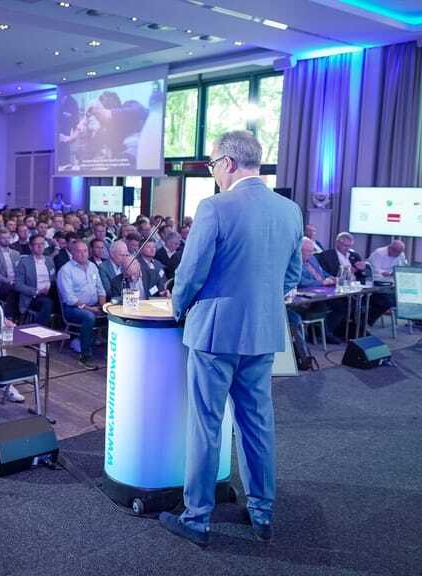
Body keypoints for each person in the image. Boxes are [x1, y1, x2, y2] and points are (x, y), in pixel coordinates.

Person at [165, 130, 303, 547]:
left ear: (227, 162)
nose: (213, 173)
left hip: (214, 334)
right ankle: (262, 512)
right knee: (257, 424)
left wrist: (178, 308)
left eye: (211, 165)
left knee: (206, 426)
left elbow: (190, 274)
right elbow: (292, 276)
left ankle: (197, 518)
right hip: (263, 333)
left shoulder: (215, 207)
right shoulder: (290, 210)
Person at [57, 240, 106, 369]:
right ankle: (85, 356)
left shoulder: (93, 266)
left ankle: (108, 352)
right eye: (79, 251)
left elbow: (101, 289)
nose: (83, 254)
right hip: (72, 309)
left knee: (112, 313)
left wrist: (102, 307)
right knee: (89, 317)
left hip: (94, 306)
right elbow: (70, 299)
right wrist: (91, 309)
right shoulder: (65, 270)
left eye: (85, 251)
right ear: (72, 253)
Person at [297, 237, 346, 344]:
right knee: (327, 305)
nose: (311, 254)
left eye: (312, 251)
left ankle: (325, 332)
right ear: (299, 250)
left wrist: (332, 278)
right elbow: (301, 282)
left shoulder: (312, 258)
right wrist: (322, 283)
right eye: (307, 251)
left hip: (322, 293)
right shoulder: (295, 262)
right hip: (304, 298)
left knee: (342, 305)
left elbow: (322, 272)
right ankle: (323, 334)